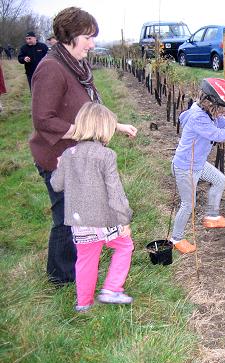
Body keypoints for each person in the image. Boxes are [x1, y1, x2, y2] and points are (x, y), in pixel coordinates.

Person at [29, 7, 137, 285]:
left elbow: (89, 109)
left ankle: (74, 265)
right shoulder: (51, 68)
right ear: (69, 36)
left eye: (93, 37)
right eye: (87, 37)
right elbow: (43, 119)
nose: (92, 43)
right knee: (67, 216)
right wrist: (81, 131)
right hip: (57, 157)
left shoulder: (75, 66)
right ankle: (61, 278)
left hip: (75, 155)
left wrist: (115, 125)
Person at [50, 102, 134, 312]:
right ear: (104, 129)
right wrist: (124, 220)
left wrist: (59, 166)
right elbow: (115, 193)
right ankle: (112, 288)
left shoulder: (68, 155)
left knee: (86, 260)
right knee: (124, 246)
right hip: (104, 219)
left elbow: (56, 185)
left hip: (80, 222)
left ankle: (83, 303)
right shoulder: (106, 156)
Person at [170, 78, 225, 254]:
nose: (223, 112)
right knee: (188, 204)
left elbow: (222, 123)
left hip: (197, 164)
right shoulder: (198, 118)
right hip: (186, 167)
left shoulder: (207, 113)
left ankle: (212, 216)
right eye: (222, 108)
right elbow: (218, 135)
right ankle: (176, 239)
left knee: (219, 179)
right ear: (211, 103)